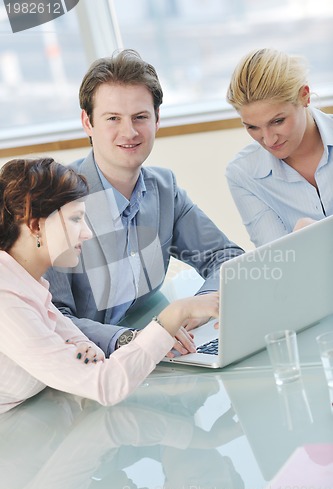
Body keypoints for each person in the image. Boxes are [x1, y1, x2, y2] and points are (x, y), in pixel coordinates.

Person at [45, 49, 243, 357]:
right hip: (87, 366)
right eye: (113, 118)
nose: (130, 132)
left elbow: (226, 256)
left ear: (157, 120)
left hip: (156, 356)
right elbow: (53, 319)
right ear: (87, 122)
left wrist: (201, 305)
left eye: (140, 117)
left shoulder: (164, 189)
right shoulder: (55, 201)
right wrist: (134, 340)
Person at [0, 157, 219, 414]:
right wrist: (174, 314)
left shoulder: (29, 284)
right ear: (36, 225)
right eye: (75, 219)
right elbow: (105, 384)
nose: (87, 233)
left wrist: (81, 351)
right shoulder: (7, 298)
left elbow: (88, 359)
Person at [225, 48, 333, 247]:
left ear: (304, 96)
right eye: (252, 127)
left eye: (278, 121)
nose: (268, 140)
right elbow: (277, 260)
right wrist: (296, 245)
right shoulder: (243, 174)